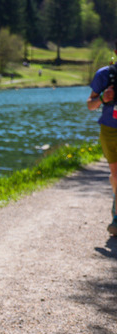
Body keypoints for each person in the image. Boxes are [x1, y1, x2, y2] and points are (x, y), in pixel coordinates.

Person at [87, 41, 117, 236]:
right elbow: (90, 105)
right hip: (110, 130)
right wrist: (103, 99)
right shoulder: (104, 74)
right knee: (116, 174)